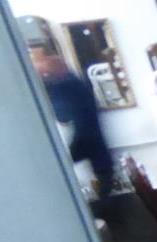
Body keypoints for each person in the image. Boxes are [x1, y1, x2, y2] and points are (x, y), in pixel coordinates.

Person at [30, 45, 114, 194]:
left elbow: (77, 126)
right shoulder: (71, 84)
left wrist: (65, 159)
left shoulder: (65, 88)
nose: (34, 67)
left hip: (90, 162)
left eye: (36, 61)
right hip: (96, 159)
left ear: (51, 62)